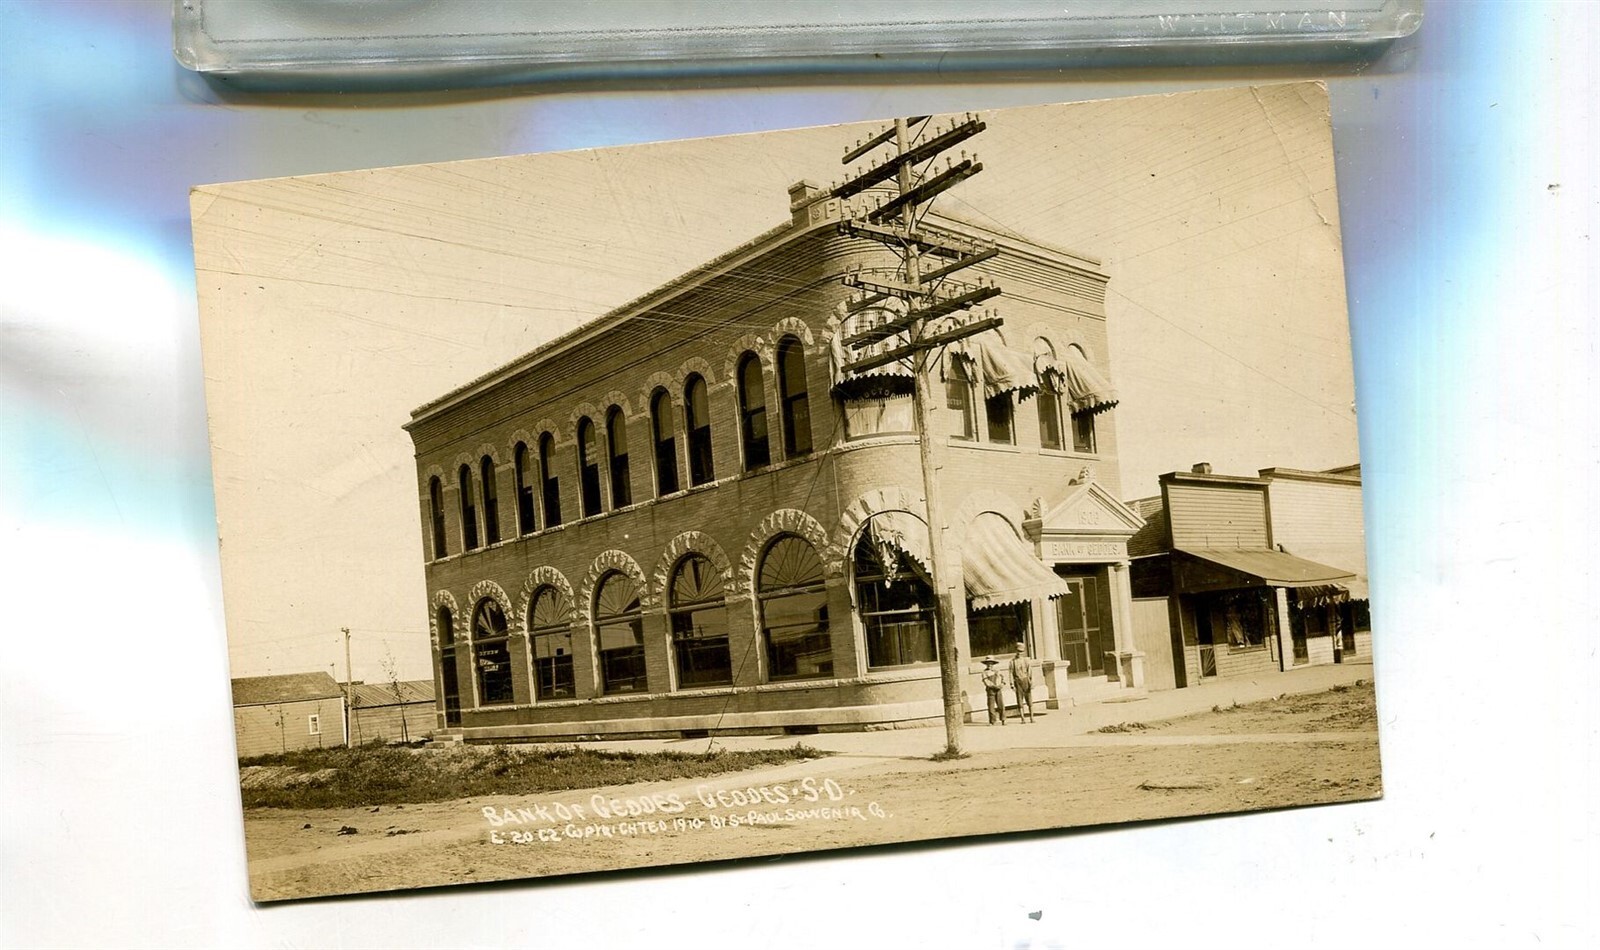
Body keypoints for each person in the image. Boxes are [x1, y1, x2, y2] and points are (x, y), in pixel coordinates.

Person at [1009, 641, 1035, 723]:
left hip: (1025, 680)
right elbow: (1010, 673)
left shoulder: (1026, 660)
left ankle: (1032, 717)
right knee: (1020, 701)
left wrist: (1031, 681)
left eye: (1021, 651)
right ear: (1016, 651)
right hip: (1018, 681)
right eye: (1018, 651)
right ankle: (1023, 718)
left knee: (1029, 700)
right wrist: (1012, 684)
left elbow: (1030, 671)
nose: (1019, 653)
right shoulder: (1012, 662)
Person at [980, 657, 1007, 725]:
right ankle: (992, 721)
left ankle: (1003, 719)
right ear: (986, 665)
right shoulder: (984, 672)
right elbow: (986, 682)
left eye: (991, 664)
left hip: (998, 689)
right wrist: (994, 686)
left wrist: (1002, 684)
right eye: (988, 664)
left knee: (1001, 704)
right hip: (991, 690)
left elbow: (1003, 678)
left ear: (993, 664)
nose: (990, 666)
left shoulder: (997, 671)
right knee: (991, 706)